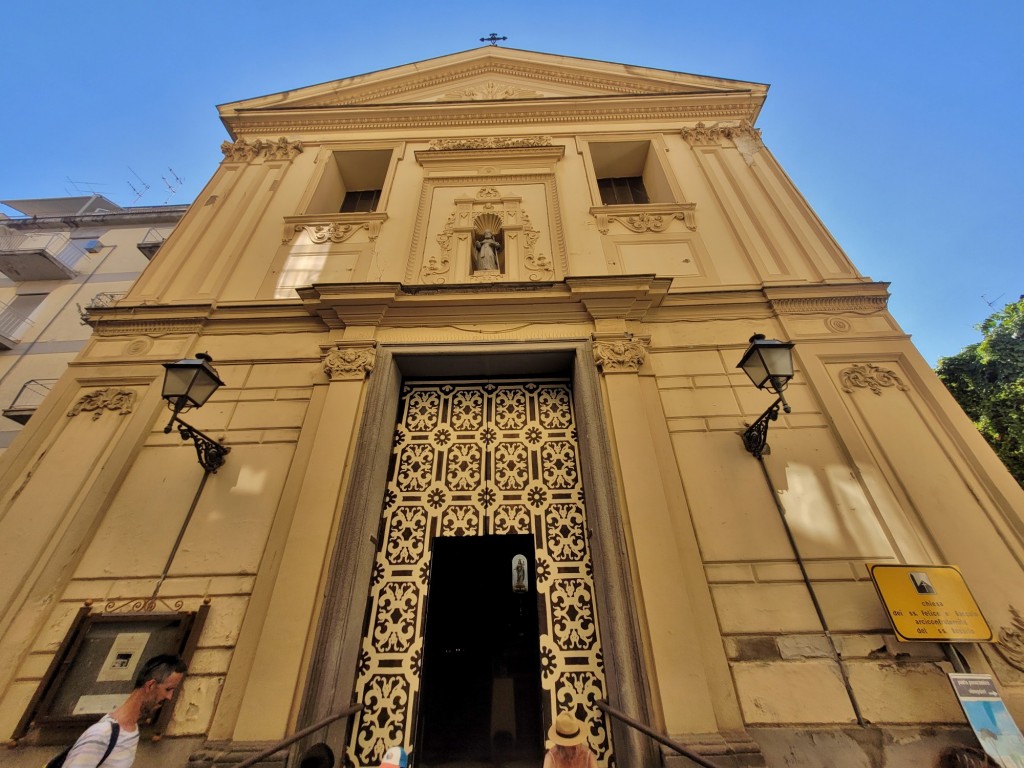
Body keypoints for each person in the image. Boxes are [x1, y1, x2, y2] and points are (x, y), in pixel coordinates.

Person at [62, 654, 187, 768]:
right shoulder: (102, 733)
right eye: (168, 689)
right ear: (150, 686)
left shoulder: (131, 730)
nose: (169, 697)